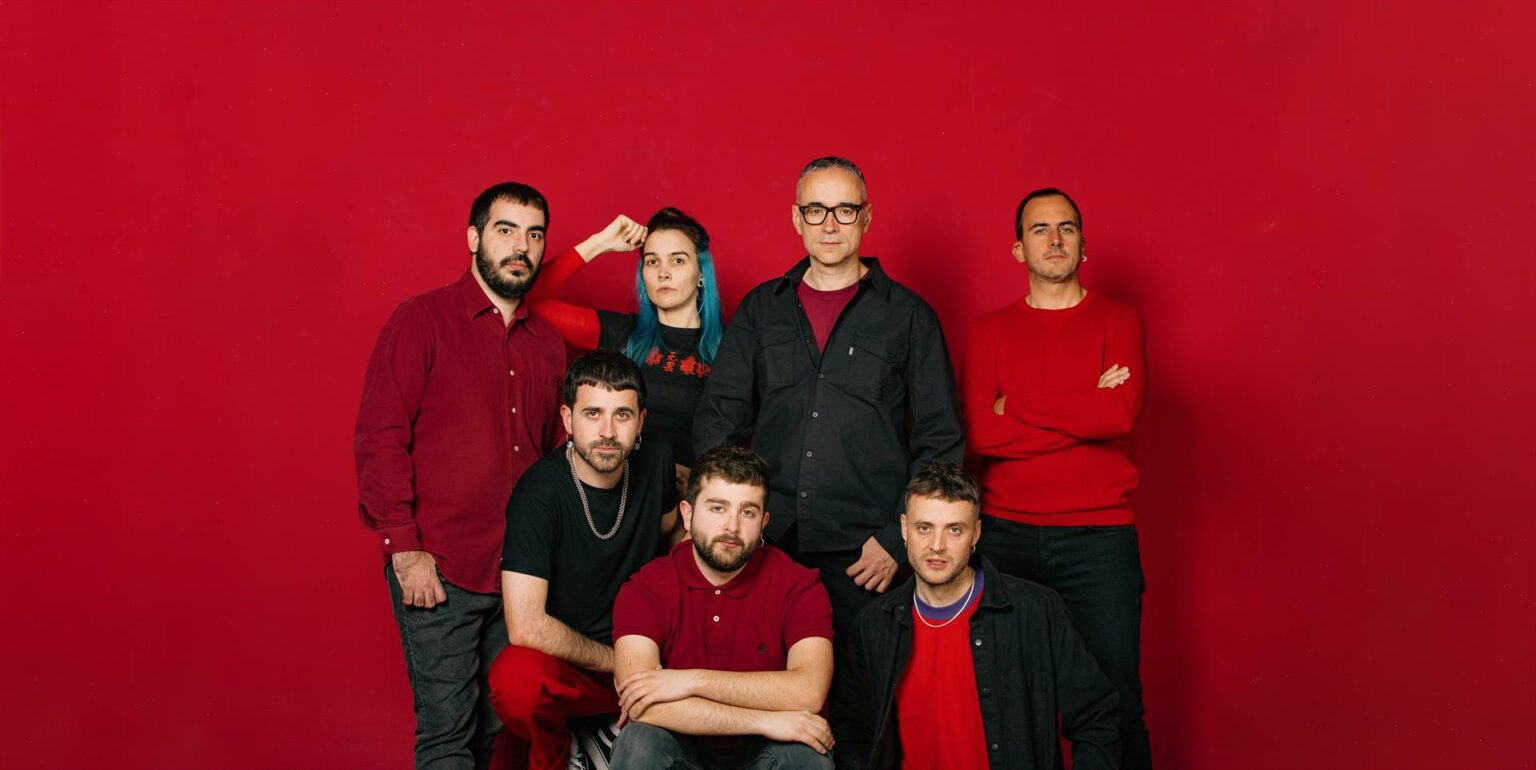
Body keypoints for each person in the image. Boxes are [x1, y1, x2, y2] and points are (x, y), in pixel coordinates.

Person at [693, 156, 964, 634]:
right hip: (767, 542)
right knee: (760, 676)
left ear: (867, 216)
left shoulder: (909, 317)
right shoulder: (760, 310)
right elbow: (718, 421)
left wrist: (898, 540)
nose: (830, 224)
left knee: (861, 681)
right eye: (816, 210)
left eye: (845, 210)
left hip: (866, 556)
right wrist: (730, 522)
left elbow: (940, 441)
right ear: (797, 218)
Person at [354, 182, 566, 769]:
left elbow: (554, 459)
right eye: (506, 230)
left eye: (534, 235)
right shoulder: (421, 321)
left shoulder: (548, 344)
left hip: (520, 577)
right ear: (473, 238)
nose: (521, 247)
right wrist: (404, 550)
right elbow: (380, 436)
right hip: (440, 567)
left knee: (496, 737)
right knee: (447, 735)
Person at [961, 187, 1152, 767]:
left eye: (1066, 228)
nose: (1054, 239)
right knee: (1017, 701)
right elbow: (983, 436)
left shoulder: (1119, 319)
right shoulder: (989, 331)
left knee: (1114, 698)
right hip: (1008, 537)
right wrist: (1085, 407)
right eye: (1039, 229)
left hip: (1100, 541)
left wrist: (1015, 404)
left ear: (1083, 245)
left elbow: (1118, 415)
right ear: (1018, 249)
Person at [837, 463, 1120, 770]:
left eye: (954, 530)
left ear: (976, 533)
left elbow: (1097, 718)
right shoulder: (875, 624)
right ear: (904, 529)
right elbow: (854, 740)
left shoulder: (1035, 611)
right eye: (924, 528)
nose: (937, 546)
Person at [488, 350, 680, 770]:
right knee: (516, 679)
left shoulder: (657, 457)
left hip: (649, 650)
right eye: (593, 414)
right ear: (568, 418)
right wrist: (622, 664)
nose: (608, 432)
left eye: (622, 415)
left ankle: (613, 733)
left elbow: (672, 530)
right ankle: (565, 751)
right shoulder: (538, 494)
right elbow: (525, 624)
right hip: (576, 662)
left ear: (641, 421)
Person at [608, 444, 836, 769]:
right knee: (639, 742)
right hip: (681, 744)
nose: (732, 526)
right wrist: (765, 720)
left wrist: (691, 681)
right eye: (717, 508)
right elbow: (641, 705)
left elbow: (808, 693)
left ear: (764, 522)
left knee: (807, 757)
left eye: (748, 512)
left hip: (767, 751)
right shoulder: (646, 588)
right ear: (687, 514)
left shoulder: (799, 585)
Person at [528, 207, 726, 488]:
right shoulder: (622, 333)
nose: (663, 273)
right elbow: (525, 299)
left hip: (695, 501)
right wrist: (600, 243)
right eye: (652, 261)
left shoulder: (730, 348)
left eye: (678, 260)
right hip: (619, 497)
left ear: (701, 273)